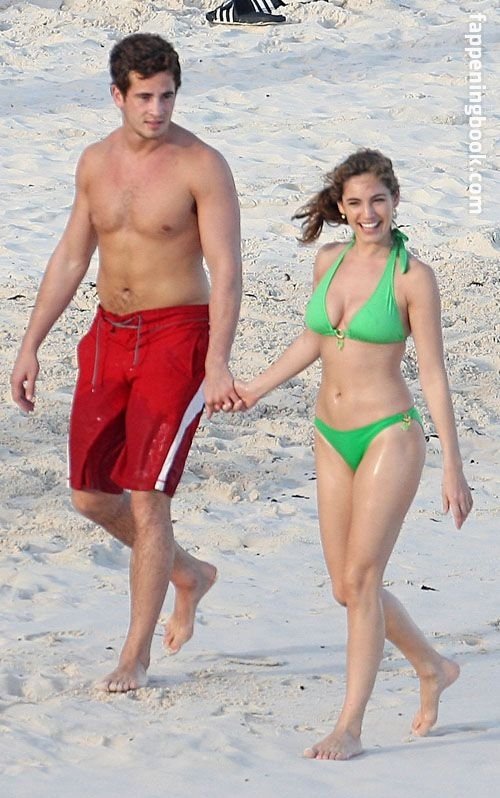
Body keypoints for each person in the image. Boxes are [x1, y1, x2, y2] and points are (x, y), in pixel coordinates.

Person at [10, 33, 243, 693]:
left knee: (147, 497)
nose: (157, 109)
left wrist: (218, 361)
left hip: (178, 338)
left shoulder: (201, 165)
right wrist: (30, 344)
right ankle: (187, 572)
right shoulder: (95, 163)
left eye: (167, 95)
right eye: (144, 97)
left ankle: (134, 654)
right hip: (109, 334)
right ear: (118, 95)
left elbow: (227, 270)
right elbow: (71, 257)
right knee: (90, 496)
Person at [234, 149, 473, 759]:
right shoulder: (329, 261)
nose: (369, 213)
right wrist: (255, 388)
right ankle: (432, 666)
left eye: (379, 201)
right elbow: (314, 339)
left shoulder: (412, 277)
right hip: (329, 434)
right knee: (345, 586)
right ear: (341, 208)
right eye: (356, 203)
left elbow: (434, 374)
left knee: (364, 579)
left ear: (395, 201)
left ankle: (351, 725)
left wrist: (453, 466)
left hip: (389, 433)